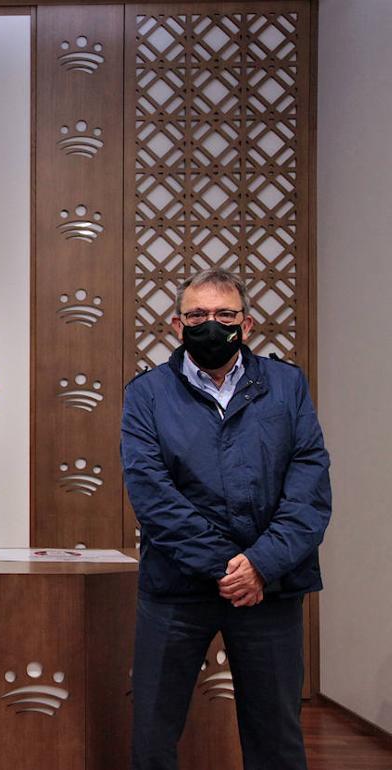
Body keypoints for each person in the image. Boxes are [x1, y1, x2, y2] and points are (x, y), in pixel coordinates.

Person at [121, 267, 331, 770]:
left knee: (276, 736)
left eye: (223, 315)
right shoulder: (146, 393)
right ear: (176, 325)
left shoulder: (287, 385)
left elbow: (310, 486)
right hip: (176, 585)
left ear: (248, 324)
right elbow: (152, 494)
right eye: (196, 315)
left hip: (271, 587)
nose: (210, 324)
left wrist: (260, 564)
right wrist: (228, 567)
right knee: (152, 732)